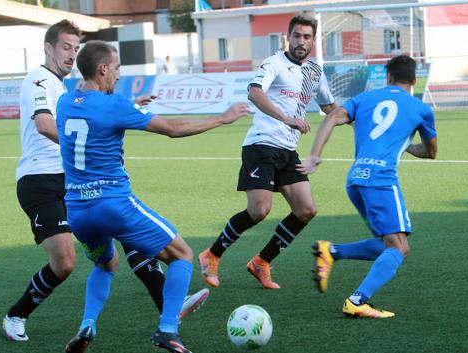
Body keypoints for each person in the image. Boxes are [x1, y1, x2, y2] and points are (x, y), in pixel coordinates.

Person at [5, 20, 209, 343]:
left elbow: (90, 117)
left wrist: (125, 111)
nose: (71, 54)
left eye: (75, 48)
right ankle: (16, 314)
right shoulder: (39, 81)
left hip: (73, 179)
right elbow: (45, 125)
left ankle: (166, 303)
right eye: (65, 47)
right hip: (41, 178)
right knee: (65, 262)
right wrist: (91, 139)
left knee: (123, 232)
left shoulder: (69, 89)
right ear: (48, 48)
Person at [58, 40, 249, 352]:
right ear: (103, 68)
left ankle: (87, 324)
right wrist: (222, 119)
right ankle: (167, 330)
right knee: (182, 255)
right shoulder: (116, 105)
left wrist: (132, 104)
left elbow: (94, 110)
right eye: (116, 68)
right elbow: (173, 128)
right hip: (112, 204)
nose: (118, 75)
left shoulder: (65, 103)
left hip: (77, 211)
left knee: (105, 265)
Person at [198, 13, 336, 290]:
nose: (301, 41)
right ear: (288, 37)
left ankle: (262, 262)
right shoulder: (275, 63)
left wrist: (359, 118)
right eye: (296, 35)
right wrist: (286, 119)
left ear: (313, 40)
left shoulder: (315, 73)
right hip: (261, 145)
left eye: (306, 37)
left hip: (287, 150)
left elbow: (331, 110)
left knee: (306, 210)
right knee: (259, 210)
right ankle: (211, 255)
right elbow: (254, 92)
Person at [297, 55, 438, 318]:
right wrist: (403, 142)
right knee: (399, 248)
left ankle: (332, 251)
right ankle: (357, 301)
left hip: (356, 180)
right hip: (381, 180)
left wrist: (315, 155)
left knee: (387, 244)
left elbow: (330, 119)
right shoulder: (421, 109)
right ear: (415, 80)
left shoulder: (363, 99)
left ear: (388, 77)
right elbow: (430, 152)